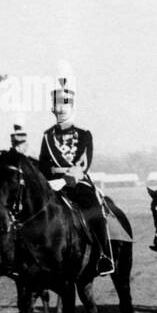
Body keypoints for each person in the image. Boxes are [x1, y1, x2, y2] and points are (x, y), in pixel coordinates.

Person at [37, 76, 114, 276]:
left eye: (65, 104)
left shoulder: (84, 134)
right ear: (52, 108)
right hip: (52, 184)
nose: (61, 109)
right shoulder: (47, 136)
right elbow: (43, 163)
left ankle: (105, 256)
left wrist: (64, 180)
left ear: (72, 106)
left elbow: (83, 164)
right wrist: (48, 182)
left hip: (77, 183)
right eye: (57, 105)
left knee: (94, 210)